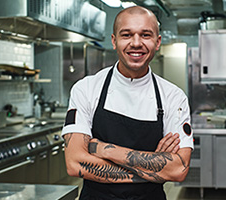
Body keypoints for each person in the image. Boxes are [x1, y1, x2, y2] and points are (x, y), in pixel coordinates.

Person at [62, 6, 193, 200]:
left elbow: (179, 169)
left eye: (145, 35)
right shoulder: (86, 89)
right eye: (127, 35)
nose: (136, 43)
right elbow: (75, 164)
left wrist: (102, 149)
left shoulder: (174, 97)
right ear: (114, 41)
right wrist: (153, 170)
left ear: (157, 42)